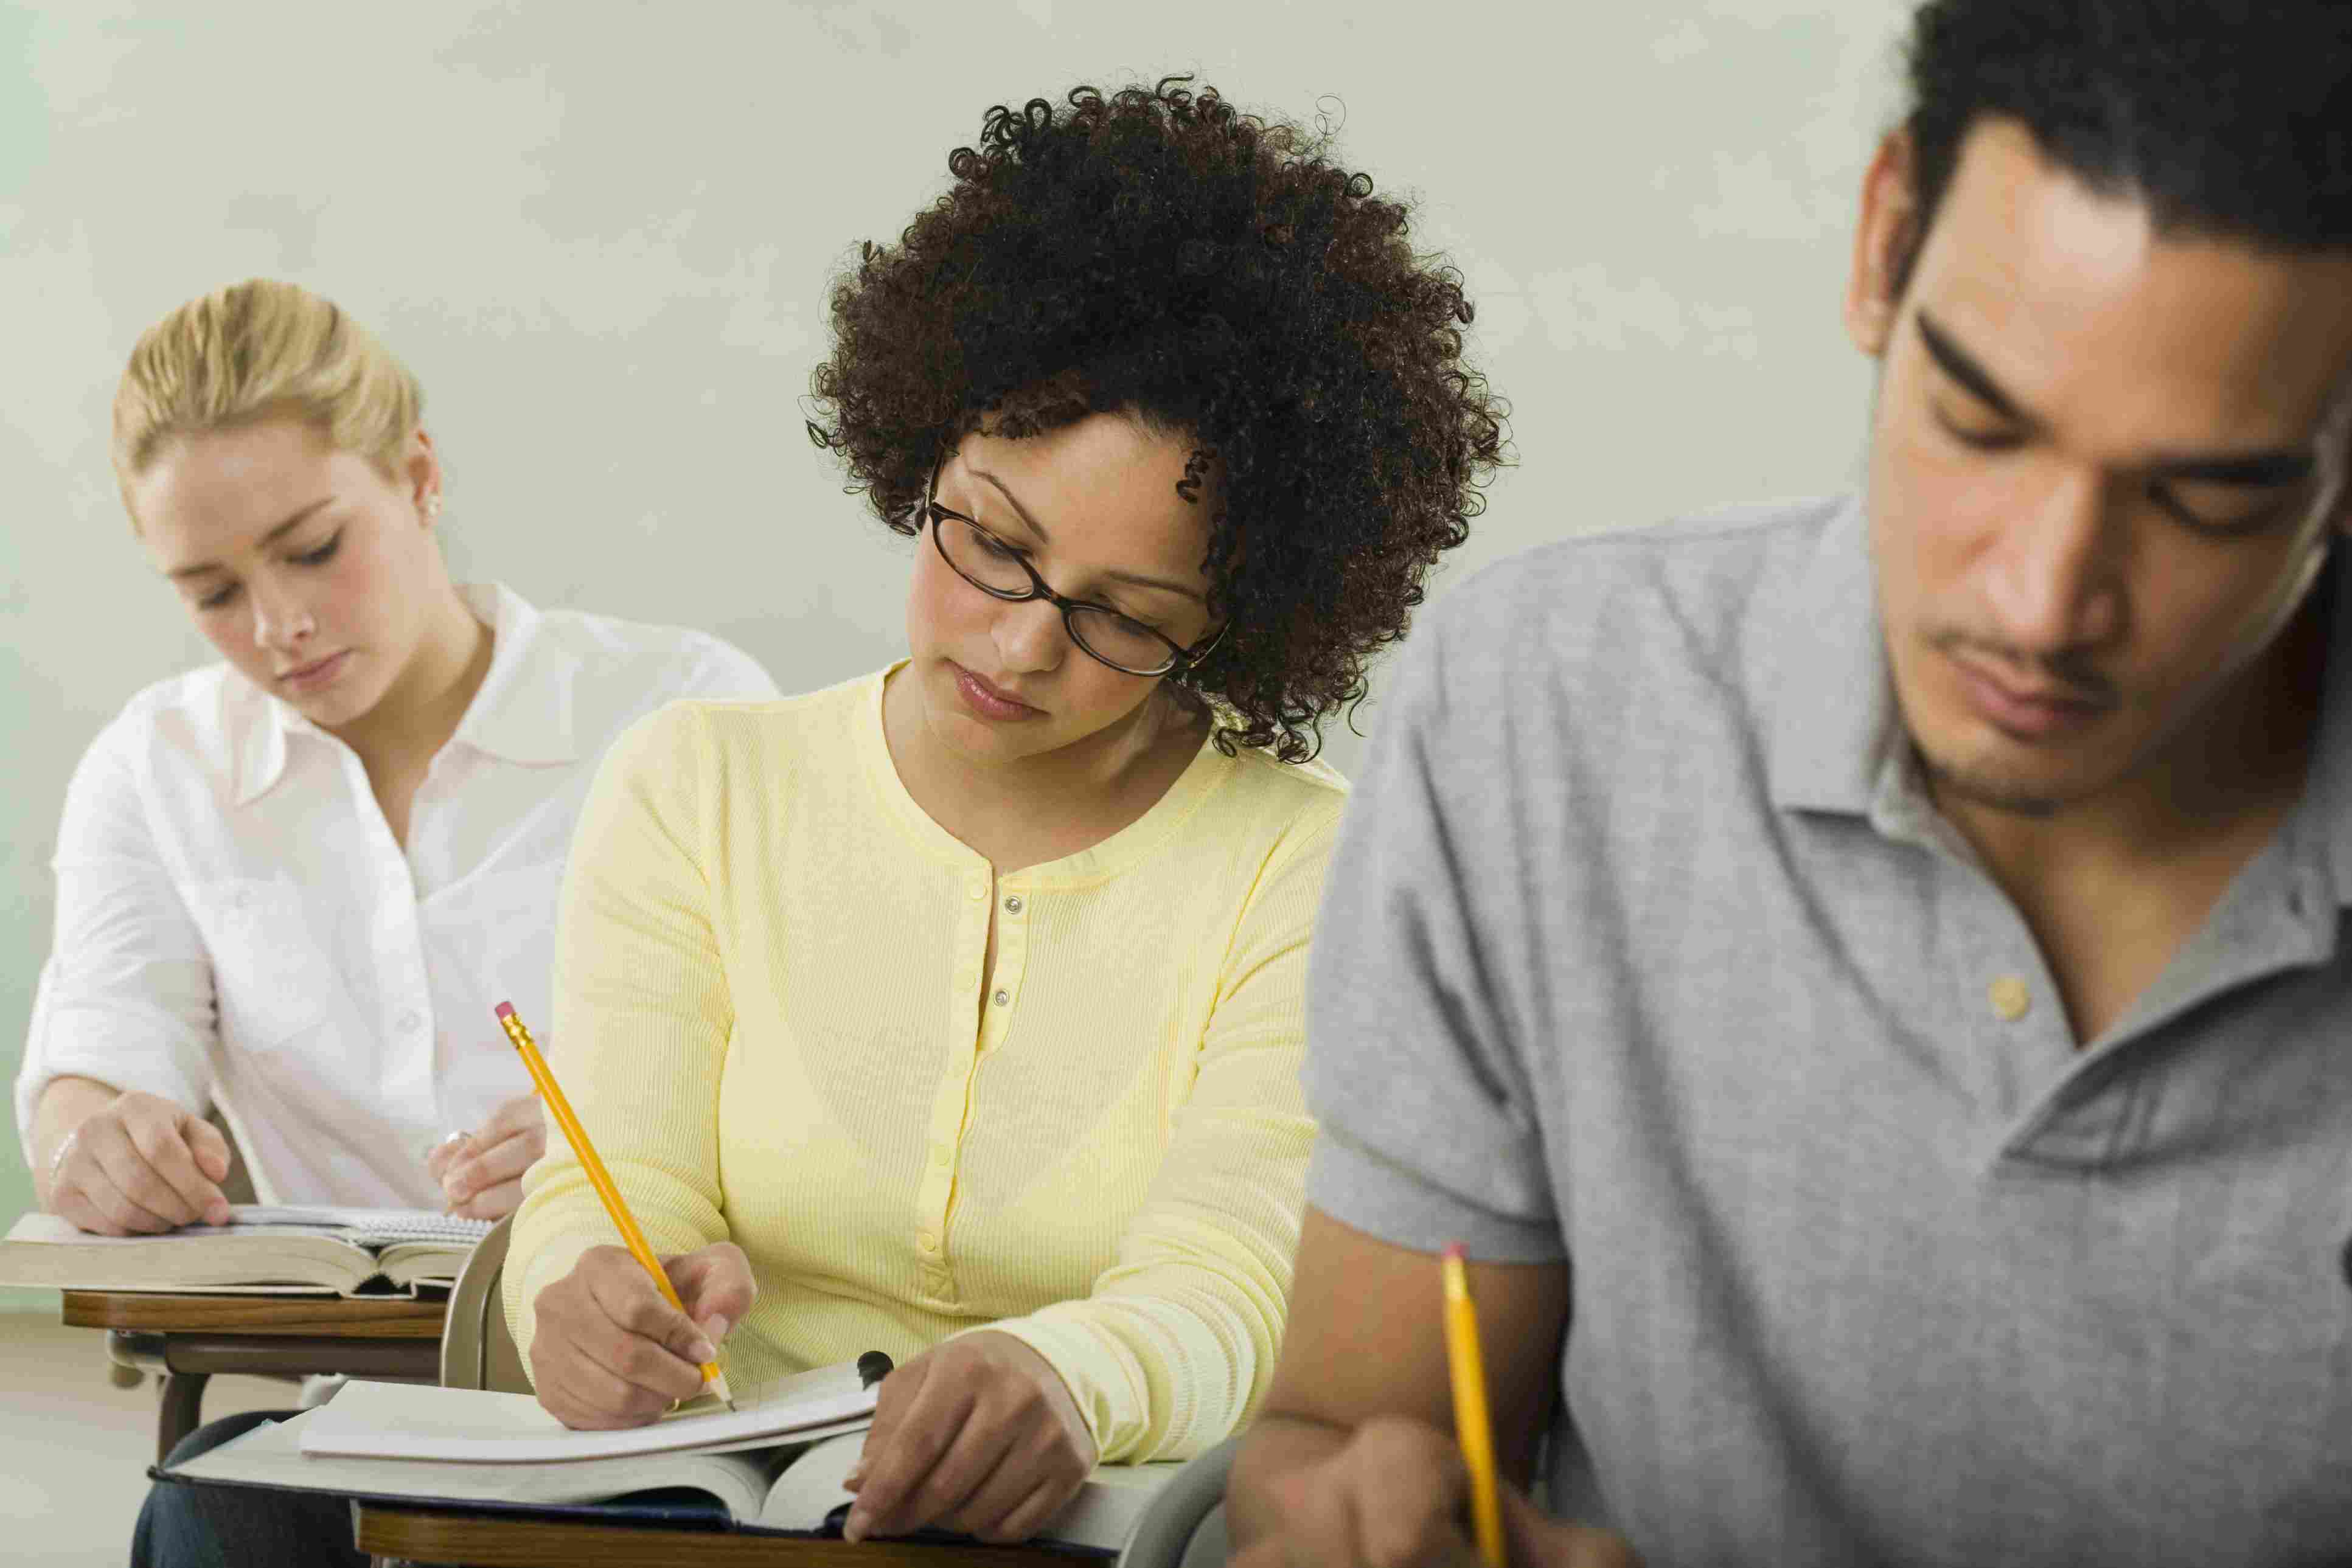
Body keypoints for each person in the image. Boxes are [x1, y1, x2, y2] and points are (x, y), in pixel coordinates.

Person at [1229, 3, 2352, 1566]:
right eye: (1979, 420)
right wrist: (1373, 1520)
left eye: (2203, 500)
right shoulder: (1540, 712)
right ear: (1884, 240)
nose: (2041, 602)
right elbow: (1341, 1435)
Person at [503, 77, 1505, 1553]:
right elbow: (612, 1182)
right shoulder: (697, 784)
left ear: (1240, 623)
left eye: (1124, 617)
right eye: (993, 543)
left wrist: (1065, 1377)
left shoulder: (1306, 860)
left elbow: (1233, 1280)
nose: (1022, 646)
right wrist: (585, 1287)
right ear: (917, 452)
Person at [18, 279, 778, 1564]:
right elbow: (89, 1076)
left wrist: (638, 1138)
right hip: (368, 1409)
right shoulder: (158, 768)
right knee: (207, 1512)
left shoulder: (681, 714)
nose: (278, 626)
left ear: (418, 476)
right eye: (210, 590)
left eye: (314, 547)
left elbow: (831, 1068)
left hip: (673, 1398)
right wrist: (101, 1138)